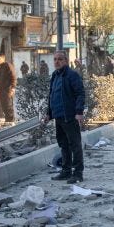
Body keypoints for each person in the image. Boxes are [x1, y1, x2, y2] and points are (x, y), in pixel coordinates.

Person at [44, 50, 85, 183]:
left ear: (66, 61)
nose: (57, 62)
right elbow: (51, 95)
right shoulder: (55, 75)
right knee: (63, 145)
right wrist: (48, 114)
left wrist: (79, 112)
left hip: (70, 116)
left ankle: (78, 174)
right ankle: (66, 171)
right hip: (58, 117)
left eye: (60, 59)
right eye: (55, 59)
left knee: (75, 145)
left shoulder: (72, 75)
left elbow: (80, 93)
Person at [0, 53, 16, 123]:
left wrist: (13, 88)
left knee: (8, 105)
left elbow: (13, 76)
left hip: (8, 89)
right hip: (2, 90)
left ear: (3, 58)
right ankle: (7, 120)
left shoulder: (8, 65)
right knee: (3, 105)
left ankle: (11, 120)